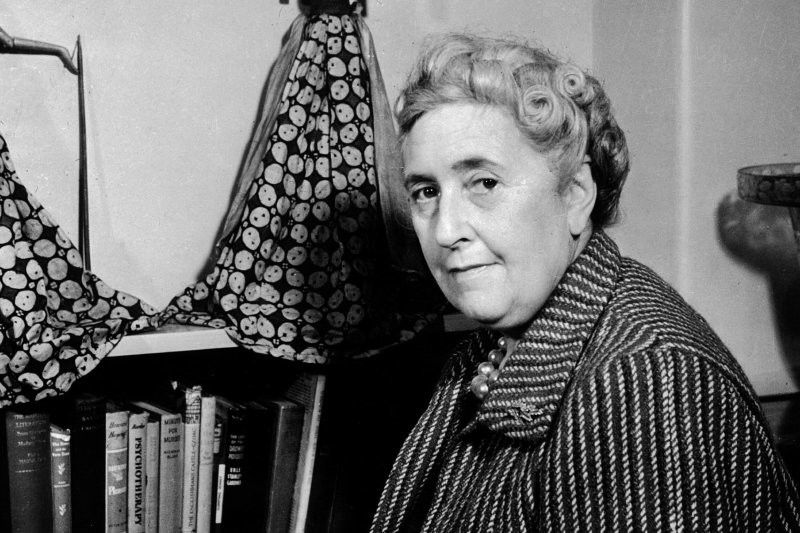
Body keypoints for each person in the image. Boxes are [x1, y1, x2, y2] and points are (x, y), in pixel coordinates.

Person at [369, 33, 800, 532]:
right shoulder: (501, 340)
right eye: (426, 192)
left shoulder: (639, 388)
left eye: (484, 183)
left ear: (575, 194)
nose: (445, 231)